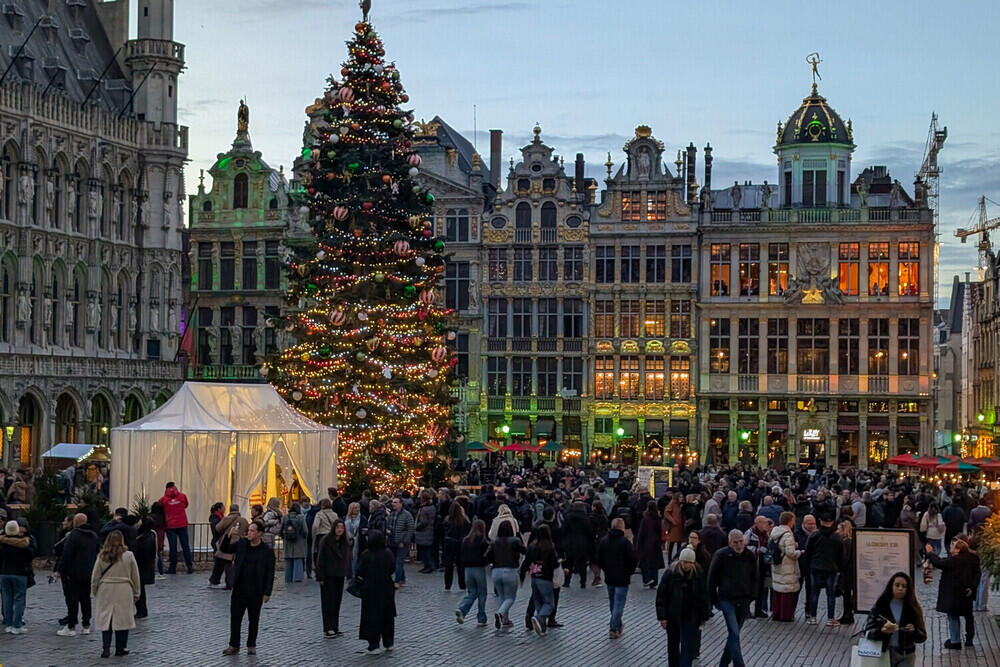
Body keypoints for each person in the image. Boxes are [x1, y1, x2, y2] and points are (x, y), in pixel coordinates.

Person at [220, 521, 275, 656]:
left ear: (260, 534)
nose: (249, 533)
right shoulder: (242, 544)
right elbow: (225, 548)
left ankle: (251, 645)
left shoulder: (266, 551)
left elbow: (270, 573)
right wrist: (228, 535)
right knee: (235, 618)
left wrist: (267, 592)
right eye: (249, 530)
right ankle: (234, 645)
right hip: (239, 588)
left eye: (252, 531)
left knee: (253, 619)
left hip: (256, 590)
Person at [707, 529, 758, 667]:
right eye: (735, 542)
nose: (739, 545)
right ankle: (739, 664)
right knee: (734, 632)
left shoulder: (749, 555)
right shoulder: (721, 555)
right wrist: (713, 600)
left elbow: (755, 577)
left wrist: (752, 595)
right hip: (727, 598)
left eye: (741, 541)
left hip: (744, 599)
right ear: (729, 542)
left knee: (733, 634)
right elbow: (711, 579)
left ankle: (723, 663)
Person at [657, 547, 711, 667]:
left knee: (687, 646)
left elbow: (703, 596)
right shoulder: (670, 574)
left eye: (689, 562)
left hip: (690, 615)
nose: (686, 565)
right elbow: (661, 596)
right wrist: (662, 617)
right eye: (684, 562)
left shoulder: (698, 574)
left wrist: (704, 615)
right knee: (673, 646)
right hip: (673, 615)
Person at [90, 531, 140, 658]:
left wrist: (95, 590)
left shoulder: (102, 556)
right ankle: (121, 647)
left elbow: (95, 576)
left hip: (106, 588)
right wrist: (136, 592)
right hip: (124, 588)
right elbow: (135, 576)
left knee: (107, 619)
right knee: (123, 619)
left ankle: (105, 648)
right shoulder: (129, 556)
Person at [925, 537, 980, 649]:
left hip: (954, 594)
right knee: (968, 616)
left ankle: (955, 641)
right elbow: (977, 574)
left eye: (953, 546)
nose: (951, 547)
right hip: (966, 593)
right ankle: (969, 640)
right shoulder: (972, 558)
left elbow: (939, 563)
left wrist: (930, 553)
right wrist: (972, 587)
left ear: (958, 550)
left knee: (953, 615)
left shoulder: (955, 559)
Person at [863, 572, 926, 666]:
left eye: (904, 586)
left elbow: (922, 636)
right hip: (884, 652)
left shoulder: (913, 608)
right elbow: (867, 631)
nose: (900, 588)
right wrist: (881, 631)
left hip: (906, 654)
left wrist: (914, 631)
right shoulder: (880, 606)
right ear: (891, 586)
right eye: (897, 585)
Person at [56, 513, 99, 636]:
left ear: (76, 522)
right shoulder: (93, 535)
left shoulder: (74, 535)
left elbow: (66, 554)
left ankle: (71, 626)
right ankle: (86, 625)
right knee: (86, 599)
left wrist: (60, 570)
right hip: (89, 572)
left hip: (74, 572)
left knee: (72, 599)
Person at [595, 517, 637, 639]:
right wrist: (629, 572)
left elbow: (599, 559)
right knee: (619, 603)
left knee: (613, 603)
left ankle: (617, 626)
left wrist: (605, 570)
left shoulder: (604, 541)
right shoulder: (625, 542)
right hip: (622, 578)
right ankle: (614, 628)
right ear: (622, 528)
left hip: (609, 577)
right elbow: (632, 560)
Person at [357, 529, 396, 653]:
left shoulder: (366, 554)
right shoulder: (388, 553)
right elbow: (392, 568)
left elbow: (359, 571)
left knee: (372, 617)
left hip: (370, 589)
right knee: (387, 616)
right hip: (386, 588)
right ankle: (388, 642)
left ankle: (374, 644)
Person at [804, 512, 843, 626]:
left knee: (814, 593)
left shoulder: (814, 535)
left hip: (816, 567)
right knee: (830, 594)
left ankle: (813, 617)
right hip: (831, 568)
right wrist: (839, 567)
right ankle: (830, 618)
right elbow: (841, 554)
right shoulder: (837, 537)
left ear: (820, 522)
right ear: (831, 522)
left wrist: (808, 565)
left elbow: (808, 552)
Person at [315, 519, 352, 637]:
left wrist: (348, 572)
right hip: (328, 574)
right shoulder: (326, 541)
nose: (340, 530)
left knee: (337, 601)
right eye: (338, 527)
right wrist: (320, 575)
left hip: (339, 574)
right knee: (328, 602)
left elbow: (347, 558)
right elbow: (320, 559)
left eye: (342, 527)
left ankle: (335, 626)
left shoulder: (345, 542)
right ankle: (328, 627)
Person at [522, 523, 560, 636]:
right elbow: (553, 563)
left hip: (534, 576)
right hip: (545, 577)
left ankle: (541, 627)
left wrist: (522, 574)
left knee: (538, 602)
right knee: (549, 603)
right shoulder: (549, 547)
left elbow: (526, 561)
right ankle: (539, 618)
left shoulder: (533, 546)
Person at [487, 521, 525, 630]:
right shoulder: (515, 541)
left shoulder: (494, 542)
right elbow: (524, 550)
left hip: (496, 571)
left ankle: (505, 620)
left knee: (501, 596)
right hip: (510, 570)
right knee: (510, 597)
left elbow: (488, 555)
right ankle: (500, 613)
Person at [0, 519, 33, 634]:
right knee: (19, 599)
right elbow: (30, 556)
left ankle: (8, 624)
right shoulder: (23, 543)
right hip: (19, 573)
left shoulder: (2, 542)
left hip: (4, 573)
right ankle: (17, 625)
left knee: (7, 599)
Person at [455, 519, 490, 626]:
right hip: (479, 568)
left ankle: (462, 609)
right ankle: (481, 617)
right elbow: (487, 556)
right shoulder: (483, 541)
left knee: (472, 592)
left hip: (468, 569)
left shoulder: (465, 540)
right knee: (482, 593)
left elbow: (461, 555)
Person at [768, 511, 801, 622]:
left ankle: (776, 613)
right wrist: (800, 552)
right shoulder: (787, 534)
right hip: (787, 566)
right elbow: (790, 552)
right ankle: (785, 615)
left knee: (777, 589)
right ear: (790, 521)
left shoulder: (774, 531)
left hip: (776, 563)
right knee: (787, 591)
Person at [210, 505, 248, 590]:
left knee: (222, 563)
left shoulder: (226, 519)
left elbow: (217, 528)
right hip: (239, 543)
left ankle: (218, 581)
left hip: (226, 543)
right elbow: (247, 530)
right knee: (234, 564)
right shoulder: (243, 520)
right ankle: (232, 582)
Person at [158, 482, 193, 574]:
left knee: (173, 547)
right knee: (185, 546)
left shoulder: (163, 500)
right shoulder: (182, 496)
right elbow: (185, 505)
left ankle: (172, 568)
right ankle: (189, 567)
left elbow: (160, 510)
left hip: (170, 525)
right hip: (182, 524)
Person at [561, 501, 594, 588]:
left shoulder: (568, 517)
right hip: (582, 544)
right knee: (582, 565)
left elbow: (563, 530)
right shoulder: (586, 518)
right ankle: (583, 582)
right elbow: (590, 532)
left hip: (569, 543)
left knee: (568, 563)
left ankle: (567, 581)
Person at [385, 497, 414, 587]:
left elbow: (410, 529)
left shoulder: (407, 515)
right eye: (393, 502)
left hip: (402, 542)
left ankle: (397, 581)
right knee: (394, 562)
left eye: (396, 502)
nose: (393, 504)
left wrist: (404, 541)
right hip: (391, 541)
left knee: (399, 562)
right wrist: (387, 531)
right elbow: (388, 525)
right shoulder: (391, 514)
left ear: (401, 503)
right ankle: (402, 578)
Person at [636, 500, 665, 588]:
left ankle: (647, 579)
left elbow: (641, 532)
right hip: (656, 543)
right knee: (654, 564)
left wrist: (639, 543)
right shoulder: (658, 518)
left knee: (645, 562)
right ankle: (654, 580)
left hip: (646, 543)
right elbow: (661, 531)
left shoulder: (645, 519)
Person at [132, 517, 157, 619]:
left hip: (141, 567)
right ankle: (141, 610)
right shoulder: (151, 535)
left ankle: (141, 610)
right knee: (140, 589)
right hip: (145, 567)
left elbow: (139, 553)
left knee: (140, 590)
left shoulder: (143, 539)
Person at [442, 502, 470, 591]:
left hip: (449, 542)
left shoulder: (447, 519)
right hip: (460, 543)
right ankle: (462, 584)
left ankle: (447, 585)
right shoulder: (464, 520)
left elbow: (444, 529)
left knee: (448, 565)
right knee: (460, 565)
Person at [281, 502, 309, 583]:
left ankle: (288, 577)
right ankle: (298, 578)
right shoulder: (301, 517)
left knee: (288, 560)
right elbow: (305, 530)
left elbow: (281, 529)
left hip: (288, 542)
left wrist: (284, 538)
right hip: (299, 542)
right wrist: (304, 538)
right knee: (298, 560)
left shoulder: (285, 517)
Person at [414, 490, 438, 573]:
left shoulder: (424, 509)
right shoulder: (432, 507)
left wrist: (417, 527)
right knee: (428, 550)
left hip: (424, 532)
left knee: (425, 551)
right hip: (430, 531)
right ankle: (429, 565)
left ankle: (428, 566)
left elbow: (423, 522)